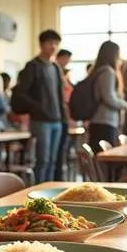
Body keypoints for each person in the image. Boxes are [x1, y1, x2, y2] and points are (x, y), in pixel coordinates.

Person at [11, 30, 66, 182]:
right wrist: (37, 107)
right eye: (50, 43)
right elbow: (21, 93)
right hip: (41, 120)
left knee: (53, 161)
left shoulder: (55, 67)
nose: (53, 46)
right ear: (42, 44)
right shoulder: (33, 66)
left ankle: (49, 193)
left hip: (57, 120)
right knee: (42, 160)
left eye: (56, 43)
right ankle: (38, 194)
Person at [86, 41, 127, 152]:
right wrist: (126, 105)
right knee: (105, 157)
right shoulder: (108, 72)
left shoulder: (98, 70)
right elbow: (109, 97)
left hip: (99, 121)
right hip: (104, 121)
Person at [53, 49, 74, 181]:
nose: (67, 62)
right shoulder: (55, 72)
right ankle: (55, 179)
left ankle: (59, 178)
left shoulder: (63, 75)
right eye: (66, 59)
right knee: (55, 153)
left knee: (61, 151)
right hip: (58, 117)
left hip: (64, 117)